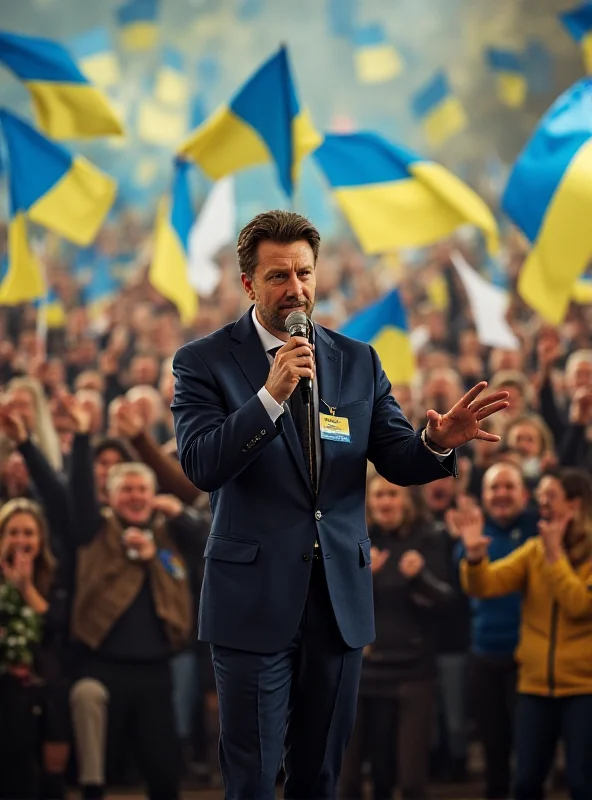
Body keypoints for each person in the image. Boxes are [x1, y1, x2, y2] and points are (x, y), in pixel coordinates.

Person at [171, 210, 508, 800]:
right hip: (253, 604)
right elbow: (202, 465)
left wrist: (435, 442)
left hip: (338, 602)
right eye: (278, 277)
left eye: (304, 273)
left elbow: (397, 458)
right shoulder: (203, 362)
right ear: (248, 283)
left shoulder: (357, 359)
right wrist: (270, 396)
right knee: (251, 777)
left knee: (321, 776)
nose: (295, 289)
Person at [454, 469, 592, 800]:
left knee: (581, 783)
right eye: (541, 498)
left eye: (551, 498)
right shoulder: (533, 550)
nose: (542, 506)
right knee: (526, 783)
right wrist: (474, 557)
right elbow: (486, 586)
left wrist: (555, 557)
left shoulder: (565, 554)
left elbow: (579, 605)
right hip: (534, 685)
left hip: (584, 687)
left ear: (574, 505)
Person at [339, 476, 454, 800]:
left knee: (410, 780)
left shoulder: (429, 537)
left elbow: (448, 603)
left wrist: (421, 578)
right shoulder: (356, 537)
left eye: (392, 494)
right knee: (348, 780)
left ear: (407, 500)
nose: (385, 502)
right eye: (378, 496)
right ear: (368, 502)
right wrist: (362, 578)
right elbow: (330, 603)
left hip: (413, 672)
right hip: (363, 670)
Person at [451, 463, 537, 800]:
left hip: (527, 659)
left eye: (508, 487)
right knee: (492, 748)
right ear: (483, 497)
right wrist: (470, 549)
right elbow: (468, 587)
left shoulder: (538, 529)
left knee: (529, 754)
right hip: (484, 654)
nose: (501, 494)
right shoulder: (474, 532)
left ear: (524, 494)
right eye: (493, 488)